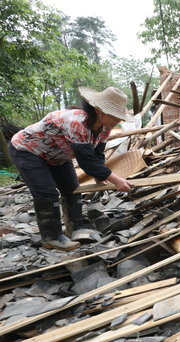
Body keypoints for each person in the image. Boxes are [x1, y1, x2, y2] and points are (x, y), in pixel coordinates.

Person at [9, 87, 134, 251]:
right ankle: (52, 238)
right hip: (29, 151)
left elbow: (96, 153)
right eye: (115, 116)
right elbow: (86, 161)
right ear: (100, 111)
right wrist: (115, 179)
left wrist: (99, 175)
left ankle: (75, 228)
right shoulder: (77, 122)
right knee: (47, 193)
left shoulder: (105, 126)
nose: (118, 120)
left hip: (58, 156)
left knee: (72, 189)